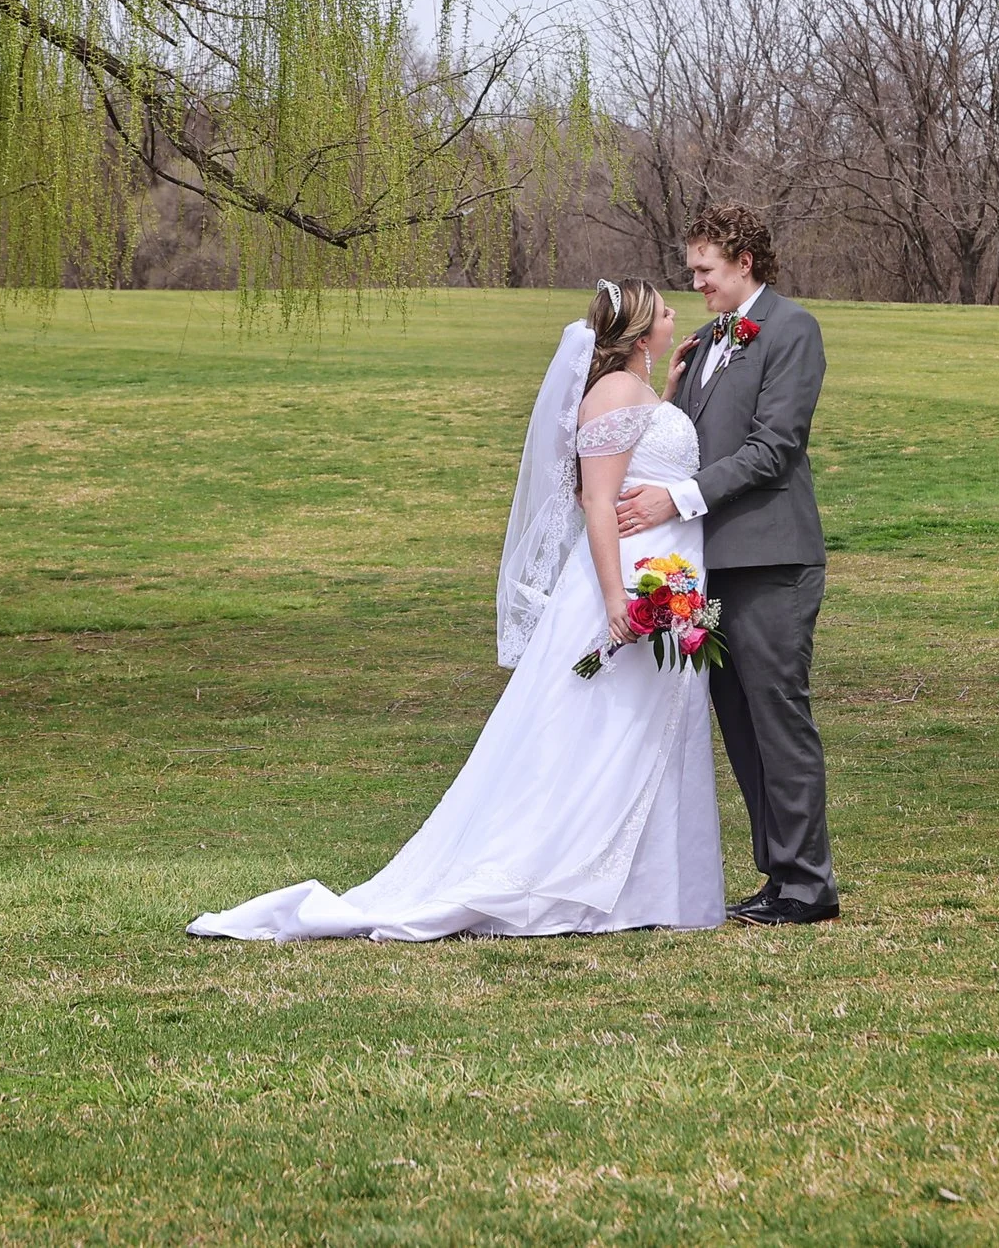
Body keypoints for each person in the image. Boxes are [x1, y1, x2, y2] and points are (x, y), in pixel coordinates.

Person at [187, 279, 724, 941]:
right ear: (643, 333)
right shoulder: (613, 392)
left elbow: (641, 456)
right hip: (628, 591)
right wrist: (619, 598)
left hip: (664, 582)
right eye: (667, 311)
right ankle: (575, 876)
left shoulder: (635, 390)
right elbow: (597, 501)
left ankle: (643, 886)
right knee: (605, 731)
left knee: (640, 731)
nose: (678, 316)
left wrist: (667, 394)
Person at [616, 203, 839, 926]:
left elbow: (775, 448)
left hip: (773, 562)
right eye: (693, 270)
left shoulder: (794, 331)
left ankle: (811, 885)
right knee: (736, 718)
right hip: (711, 571)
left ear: (745, 262)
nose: (697, 283)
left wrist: (674, 499)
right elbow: (683, 436)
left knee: (777, 713)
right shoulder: (711, 338)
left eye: (706, 269)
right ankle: (777, 875)